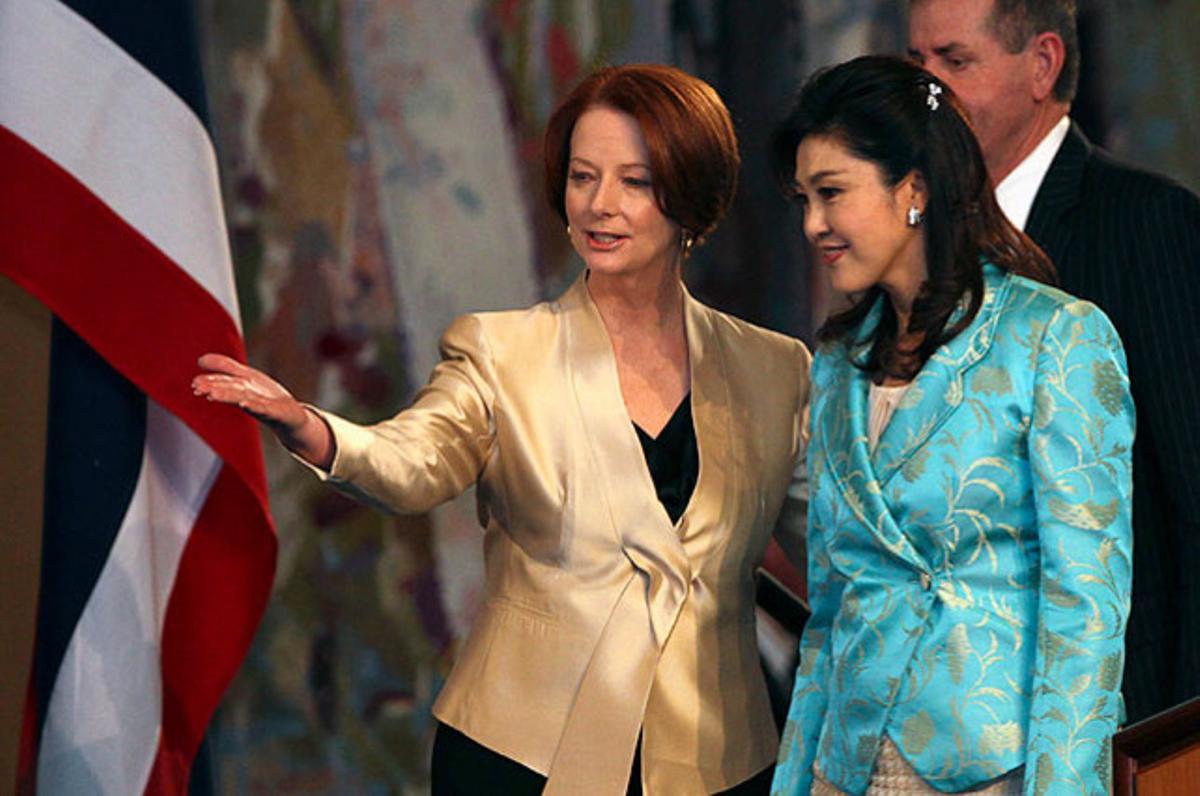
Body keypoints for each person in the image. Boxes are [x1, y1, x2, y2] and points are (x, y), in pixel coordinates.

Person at [194, 63, 811, 795]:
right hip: (523, 754)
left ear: (692, 194)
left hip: (718, 759)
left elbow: (837, 543)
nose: (600, 205)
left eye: (634, 182)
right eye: (582, 178)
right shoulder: (500, 351)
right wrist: (314, 430)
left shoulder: (775, 369)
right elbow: (413, 460)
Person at [769, 55, 1134, 795]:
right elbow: (829, 615)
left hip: (990, 769)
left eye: (831, 193)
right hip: (847, 765)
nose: (812, 224)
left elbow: (1085, 616)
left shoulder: (1054, 337)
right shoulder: (836, 363)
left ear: (913, 189)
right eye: (804, 198)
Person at [908, 0, 1200, 723]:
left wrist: (1176, 744)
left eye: (955, 61)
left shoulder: (1148, 224)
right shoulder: (915, 244)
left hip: (1124, 721)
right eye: (918, 65)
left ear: (1042, 64)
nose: (929, 92)